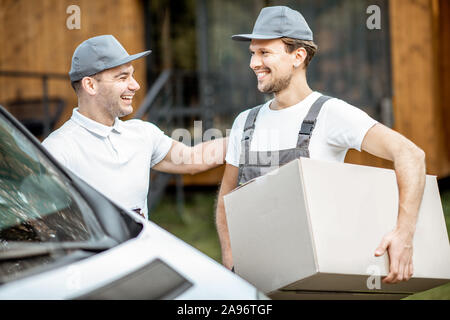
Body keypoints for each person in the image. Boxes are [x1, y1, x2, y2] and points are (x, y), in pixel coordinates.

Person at [215, 6, 426, 284]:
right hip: (258, 279)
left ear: (298, 56)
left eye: (264, 53)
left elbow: (410, 155)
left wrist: (404, 234)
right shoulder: (246, 122)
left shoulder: (330, 114)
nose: (253, 63)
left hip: (316, 277)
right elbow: (226, 200)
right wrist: (230, 257)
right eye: (252, 53)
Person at [43, 35, 226, 219]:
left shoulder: (142, 133)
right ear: (90, 85)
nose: (135, 85)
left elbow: (191, 159)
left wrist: (247, 133)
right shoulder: (59, 149)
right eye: (123, 78)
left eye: (132, 75)